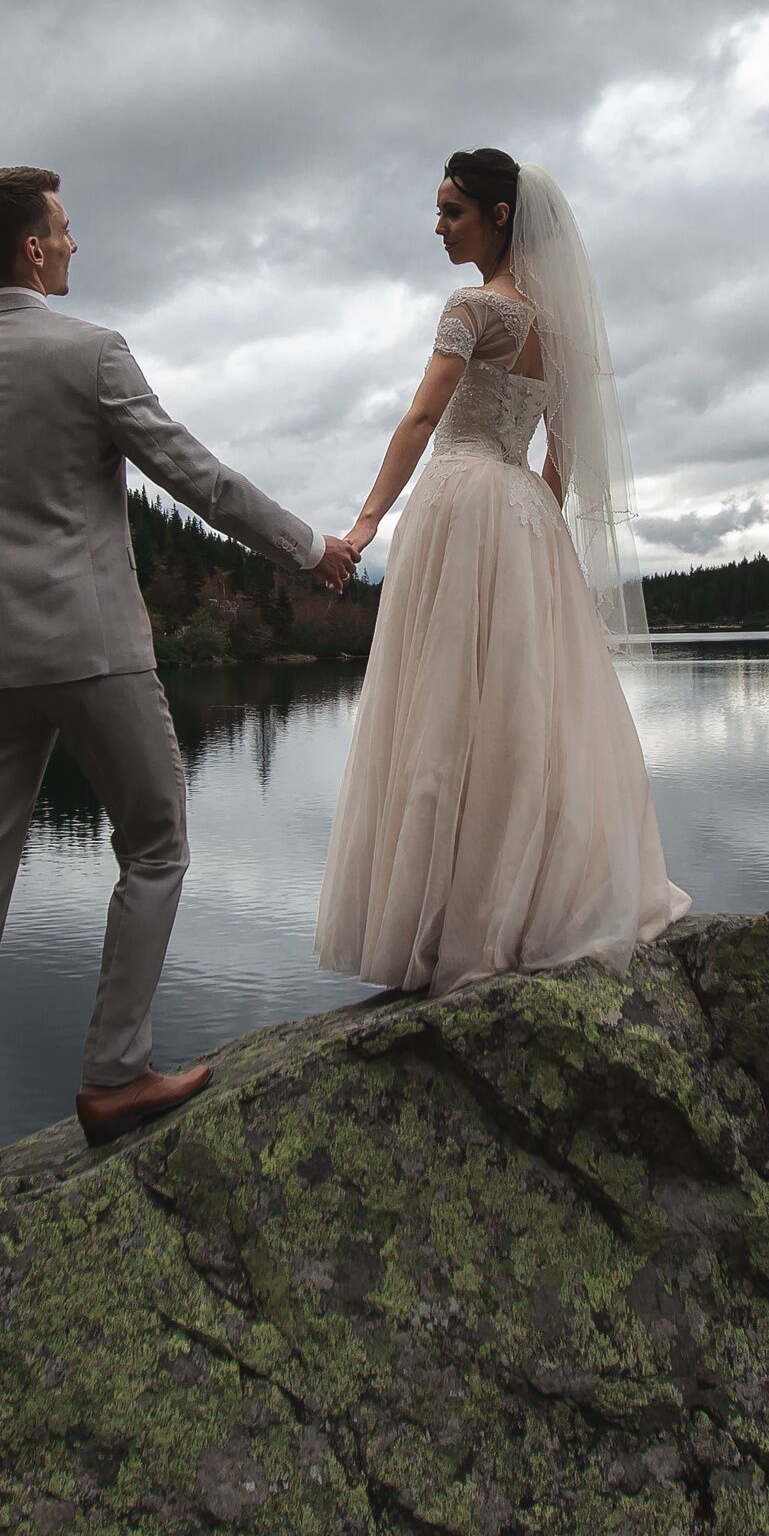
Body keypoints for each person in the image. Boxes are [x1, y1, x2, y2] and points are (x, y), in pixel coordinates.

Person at [0, 166, 360, 1189]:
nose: (74, 244)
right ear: (31, 251)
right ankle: (112, 1072)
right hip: (95, 647)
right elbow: (198, 477)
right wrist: (308, 547)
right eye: (63, 230)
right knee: (155, 842)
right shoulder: (90, 352)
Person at [313, 149, 688, 992]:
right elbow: (572, 451)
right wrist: (534, 507)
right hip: (521, 513)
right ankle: (523, 902)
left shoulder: (474, 309)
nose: (439, 227)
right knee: (524, 713)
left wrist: (367, 521)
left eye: (453, 212)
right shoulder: (561, 325)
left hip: (458, 500)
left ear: (501, 216)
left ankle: (445, 921)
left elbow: (422, 416)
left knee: (446, 709)